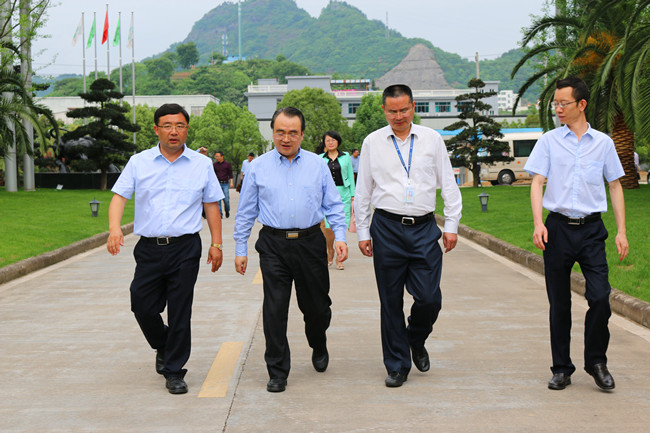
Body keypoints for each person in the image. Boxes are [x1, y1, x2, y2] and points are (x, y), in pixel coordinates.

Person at [106, 103, 224, 395]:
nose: (174, 131)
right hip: (149, 248)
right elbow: (119, 196)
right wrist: (114, 228)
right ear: (156, 129)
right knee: (141, 304)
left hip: (186, 248)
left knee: (180, 310)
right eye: (167, 126)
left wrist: (217, 243)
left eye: (180, 125)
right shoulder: (139, 162)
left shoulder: (201, 164)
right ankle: (164, 344)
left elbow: (211, 204)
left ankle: (174, 371)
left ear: (187, 129)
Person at [233, 107, 348, 393]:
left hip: (310, 242)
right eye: (280, 132)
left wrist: (340, 236)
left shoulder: (317, 165)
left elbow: (333, 204)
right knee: (274, 309)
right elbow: (246, 211)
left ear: (302, 134)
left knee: (317, 308)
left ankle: (318, 342)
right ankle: (277, 370)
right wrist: (240, 248)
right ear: (272, 132)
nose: (286, 138)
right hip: (273, 244)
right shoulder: (258, 167)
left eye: (293, 133)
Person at [524, 76, 628, 392]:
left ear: (581, 104)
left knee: (600, 297)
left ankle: (596, 362)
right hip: (556, 229)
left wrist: (622, 231)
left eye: (563, 103)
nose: (558, 108)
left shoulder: (603, 143)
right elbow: (536, 182)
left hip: (592, 231)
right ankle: (561, 369)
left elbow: (615, 185)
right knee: (560, 304)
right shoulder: (549, 141)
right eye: (555, 103)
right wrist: (538, 223)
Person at [354, 84, 462, 388]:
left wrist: (451, 225)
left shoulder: (432, 139)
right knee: (390, 301)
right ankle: (397, 365)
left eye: (404, 110)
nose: (398, 116)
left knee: (429, 298)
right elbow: (363, 190)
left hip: (424, 228)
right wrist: (362, 230)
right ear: (384, 110)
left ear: (413, 107)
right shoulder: (372, 142)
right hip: (386, 228)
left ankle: (415, 337)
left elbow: (448, 184)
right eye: (392, 111)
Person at [319, 131, 355, 270]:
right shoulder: (320, 158)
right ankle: (330, 250)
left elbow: (350, 176)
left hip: (343, 194)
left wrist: (353, 194)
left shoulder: (346, 157)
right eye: (328, 140)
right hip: (326, 195)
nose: (331, 142)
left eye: (333, 140)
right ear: (324, 142)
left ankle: (340, 258)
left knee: (340, 225)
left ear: (338, 141)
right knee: (328, 228)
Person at [213, 151, 234, 218]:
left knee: (226, 200)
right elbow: (213, 175)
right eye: (216, 156)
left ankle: (227, 211)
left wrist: (231, 182)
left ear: (222, 156)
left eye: (218, 156)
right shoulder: (214, 165)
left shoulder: (227, 164)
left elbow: (230, 174)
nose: (217, 158)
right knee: (218, 200)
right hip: (217, 184)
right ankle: (220, 214)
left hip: (225, 184)